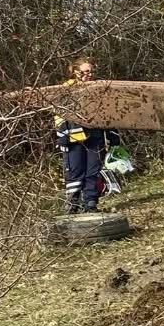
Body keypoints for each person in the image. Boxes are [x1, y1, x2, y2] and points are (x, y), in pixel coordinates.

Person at [54, 57, 120, 214]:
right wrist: (62, 135)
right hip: (73, 139)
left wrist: (112, 133)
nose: (90, 74)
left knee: (93, 171)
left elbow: (108, 113)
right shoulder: (66, 90)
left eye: (92, 71)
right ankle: (72, 203)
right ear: (76, 72)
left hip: (95, 136)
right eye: (86, 71)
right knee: (75, 171)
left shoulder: (99, 88)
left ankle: (90, 202)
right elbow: (58, 113)